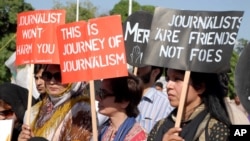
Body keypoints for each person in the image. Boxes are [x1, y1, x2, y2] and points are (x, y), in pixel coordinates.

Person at [147, 68, 231, 141]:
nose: (169, 85)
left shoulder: (216, 129)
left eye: (177, 79)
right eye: (168, 79)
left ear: (200, 87)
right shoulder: (159, 126)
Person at [18, 64, 92, 141]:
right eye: (47, 75)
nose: (52, 82)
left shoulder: (82, 110)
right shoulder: (33, 111)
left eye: (59, 76)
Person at [97, 73, 147, 141]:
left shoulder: (137, 136)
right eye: (99, 92)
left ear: (124, 101)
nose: (98, 98)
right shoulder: (103, 129)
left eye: (103, 93)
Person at [136, 65, 173, 133]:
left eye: (143, 64)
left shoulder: (167, 104)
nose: (137, 66)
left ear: (155, 72)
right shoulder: (124, 98)